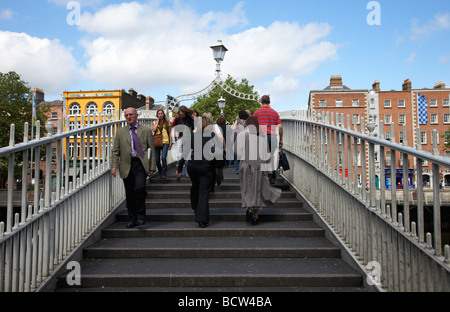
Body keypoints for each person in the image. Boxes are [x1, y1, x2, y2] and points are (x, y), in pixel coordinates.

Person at [111, 107, 156, 228]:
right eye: (126, 115)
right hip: (126, 164)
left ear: (136, 116)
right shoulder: (121, 132)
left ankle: (141, 216)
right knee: (129, 193)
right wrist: (114, 166)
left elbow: (152, 148)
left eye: (131, 115)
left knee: (140, 188)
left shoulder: (145, 131)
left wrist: (152, 167)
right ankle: (132, 218)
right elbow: (115, 150)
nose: (128, 117)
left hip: (140, 163)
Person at [236, 116, 281, 225]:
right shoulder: (262, 136)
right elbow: (266, 154)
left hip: (246, 166)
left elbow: (237, 152)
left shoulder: (242, 135)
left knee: (247, 188)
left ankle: (248, 207)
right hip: (260, 166)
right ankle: (255, 216)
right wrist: (269, 172)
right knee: (257, 190)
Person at [186, 116, 217, 228]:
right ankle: (202, 219)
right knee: (204, 192)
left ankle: (195, 207)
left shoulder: (193, 136)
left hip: (193, 165)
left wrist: (179, 168)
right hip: (206, 166)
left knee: (195, 186)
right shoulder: (212, 136)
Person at [253, 95, 283, 184]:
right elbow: (280, 127)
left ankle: (263, 177)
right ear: (269, 102)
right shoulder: (275, 113)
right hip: (272, 137)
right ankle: (272, 176)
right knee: (271, 157)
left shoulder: (256, 113)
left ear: (261, 102)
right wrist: (281, 139)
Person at [173, 106, 194, 179]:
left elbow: (193, 128)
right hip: (180, 138)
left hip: (188, 138)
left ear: (185, 112)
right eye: (180, 112)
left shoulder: (189, 119)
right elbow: (175, 128)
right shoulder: (177, 119)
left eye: (182, 112)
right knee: (179, 156)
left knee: (187, 157)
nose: (181, 113)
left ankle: (187, 173)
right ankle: (179, 172)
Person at [152, 109, 172, 179]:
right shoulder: (154, 122)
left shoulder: (167, 123)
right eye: (159, 113)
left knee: (163, 158)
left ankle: (164, 173)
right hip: (157, 142)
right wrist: (157, 122)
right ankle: (160, 172)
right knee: (157, 160)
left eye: (161, 113)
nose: (160, 115)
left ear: (163, 114)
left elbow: (170, 133)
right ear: (157, 115)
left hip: (165, 141)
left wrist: (170, 142)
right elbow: (154, 130)